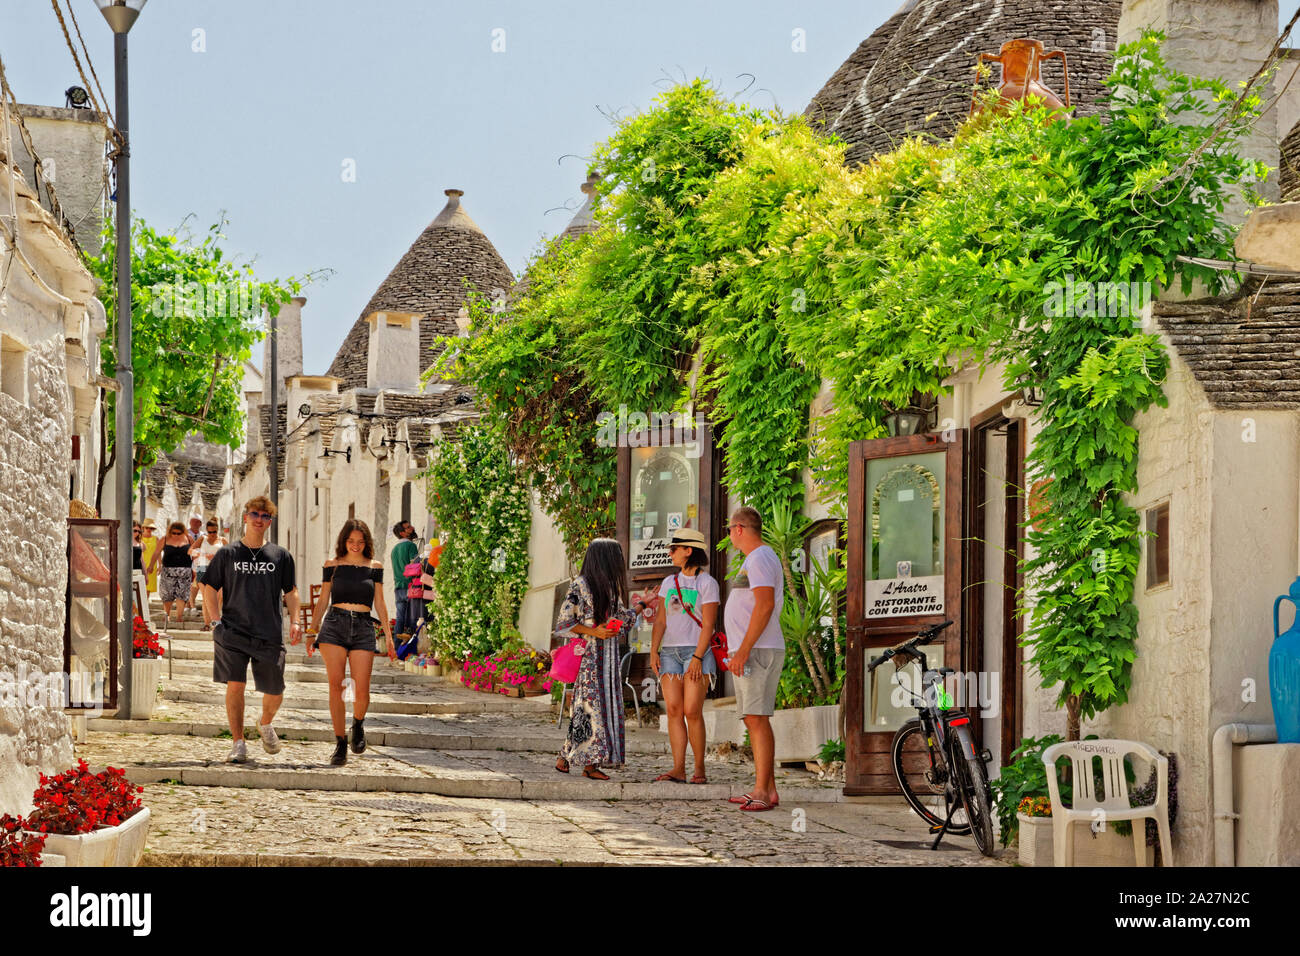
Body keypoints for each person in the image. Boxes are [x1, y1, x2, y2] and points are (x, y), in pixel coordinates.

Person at [201, 496, 302, 764]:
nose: (260, 520)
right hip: (232, 631)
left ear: (269, 521)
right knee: (235, 685)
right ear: (245, 517)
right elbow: (209, 587)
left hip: (268, 632)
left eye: (265, 516)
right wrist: (215, 621)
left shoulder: (280, 556)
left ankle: (265, 722)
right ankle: (238, 744)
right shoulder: (228, 554)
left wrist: (295, 620)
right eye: (255, 514)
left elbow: (291, 591)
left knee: (276, 689)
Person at [554, 538, 650, 780]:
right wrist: (594, 631)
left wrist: (641, 606)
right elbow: (565, 621)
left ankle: (565, 757)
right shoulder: (580, 585)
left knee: (592, 708)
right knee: (590, 708)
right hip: (589, 657)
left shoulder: (608, 587)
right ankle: (589, 765)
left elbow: (622, 619)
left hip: (608, 658)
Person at [309, 519, 394, 766]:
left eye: (360, 541)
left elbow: (380, 602)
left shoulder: (374, 567)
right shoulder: (332, 565)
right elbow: (323, 599)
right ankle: (339, 744)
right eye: (351, 541)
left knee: (360, 688)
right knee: (336, 686)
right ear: (343, 541)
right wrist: (312, 631)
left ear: (366, 543)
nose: (355, 545)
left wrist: (388, 635)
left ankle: (358, 723)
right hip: (334, 624)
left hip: (364, 627)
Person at [723, 507, 786, 812]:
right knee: (753, 718)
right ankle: (767, 789)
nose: (729, 535)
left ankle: (762, 790)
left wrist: (745, 649)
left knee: (757, 720)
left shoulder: (760, 557)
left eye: (729, 530)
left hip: (758, 650)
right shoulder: (757, 558)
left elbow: (764, 605)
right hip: (752, 649)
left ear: (739, 529)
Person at [649, 528, 719, 784]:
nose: (670, 552)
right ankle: (678, 768)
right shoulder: (669, 583)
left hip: (696, 652)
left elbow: (709, 624)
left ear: (689, 551)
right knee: (675, 710)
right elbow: (660, 621)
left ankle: (699, 768)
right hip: (669, 652)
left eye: (674, 548)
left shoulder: (707, 583)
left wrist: (698, 658)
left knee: (692, 711)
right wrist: (653, 650)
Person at [148, 521, 194, 626]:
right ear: (170, 532)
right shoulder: (164, 539)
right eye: (174, 533)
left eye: (179, 533)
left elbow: (195, 554)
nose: (176, 535)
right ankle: (167, 615)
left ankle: (179, 617)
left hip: (185, 571)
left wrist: (196, 570)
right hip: (168, 571)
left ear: (183, 532)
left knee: (182, 594)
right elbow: (156, 553)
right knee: (167, 595)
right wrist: (151, 566)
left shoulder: (189, 539)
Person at [189, 518, 226, 630]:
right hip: (202, 569)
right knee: (206, 598)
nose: (212, 534)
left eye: (214, 532)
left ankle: (215, 625)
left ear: (217, 530)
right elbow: (190, 550)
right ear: (206, 531)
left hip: (218, 570)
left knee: (218, 599)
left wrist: (217, 557)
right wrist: (200, 553)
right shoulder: (202, 539)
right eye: (210, 532)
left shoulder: (222, 540)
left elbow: (231, 555)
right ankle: (206, 624)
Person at [390, 521, 418, 640]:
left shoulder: (394, 550)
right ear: (402, 533)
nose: (412, 528)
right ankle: (411, 651)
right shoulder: (410, 546)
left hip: (398, 588)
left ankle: (397, 649)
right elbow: (416, 566)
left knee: (400, 619)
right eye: (408, 528)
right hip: (410, 586)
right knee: (413, 619)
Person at [140, 519, 160, 595]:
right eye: (147, 528)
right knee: (140, 585)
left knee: (148, 587)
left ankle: (146, 605)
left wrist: (160, 565)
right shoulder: (139, 538)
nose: (149, 530)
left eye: (151, 528)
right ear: (143, 528)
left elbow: (158, 553)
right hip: (142, 564)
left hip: (152, 565)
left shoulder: (156, 539)